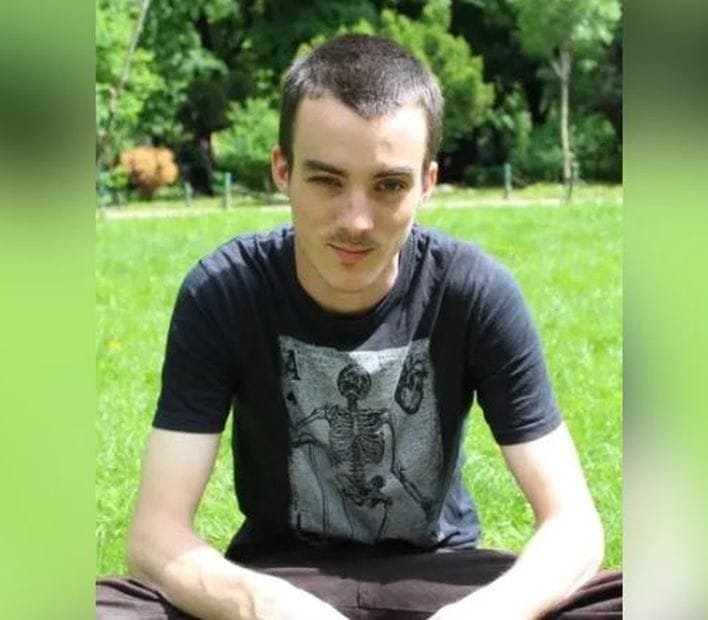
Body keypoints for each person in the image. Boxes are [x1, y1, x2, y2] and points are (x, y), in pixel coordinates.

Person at [97, 34, 621, 619]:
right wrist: (259, 604)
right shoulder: (224, 291)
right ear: (282, 169)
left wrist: (484, 614)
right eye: (327, 180)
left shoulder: (473, 291)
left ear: (427, 182)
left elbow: (574, 527)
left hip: (441, 579)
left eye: (389, 185)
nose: (356, 220)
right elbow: (156, 537)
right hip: (282, 581)